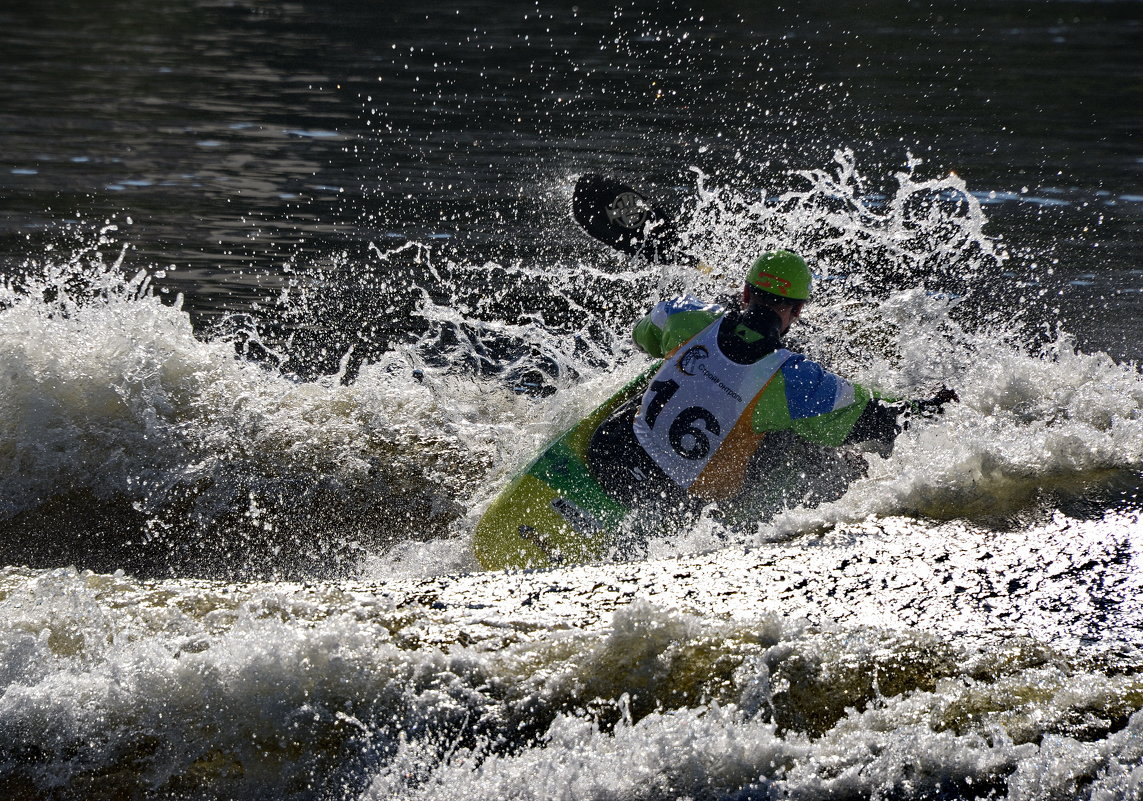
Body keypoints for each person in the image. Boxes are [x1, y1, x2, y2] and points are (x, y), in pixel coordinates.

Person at [585, 249, 957, 522]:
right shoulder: (795, 379)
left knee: (675, 365)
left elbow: (643, 338)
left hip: (609, 453)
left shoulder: (685, 316)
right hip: (674, 500)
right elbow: (878, 418)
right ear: (797, 312)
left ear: (746, 294)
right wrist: (931, 405)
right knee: (809, 438)